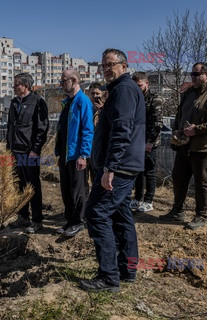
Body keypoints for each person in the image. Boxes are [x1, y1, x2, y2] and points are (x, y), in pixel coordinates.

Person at [81, 48, 145, 293]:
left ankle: (108, 277)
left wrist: (110, 168)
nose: (107, 69)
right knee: (121, 216)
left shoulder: (124, 90)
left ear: (124, 65)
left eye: (111, 64)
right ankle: (127, 269)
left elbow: (122, 131)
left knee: (96, 213)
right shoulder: (120, 89)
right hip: (123, 165)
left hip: (119, 167)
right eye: (103, 65)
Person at [159, 62, 207, 230]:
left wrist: (197, 130)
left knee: (202, 183)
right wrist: (176, 132)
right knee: (178, 177)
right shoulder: (188, 93)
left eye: (196, 74)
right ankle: (177, 211)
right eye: (191, 74)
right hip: (184, 146)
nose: (193, 77)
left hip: (204, 147)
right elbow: (180, 114)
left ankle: (201, 216)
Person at [7, 73, 49, 234]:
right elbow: (11, 126)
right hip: (15, 152)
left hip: (29, 152)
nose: (14, 87)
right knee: (19, 185)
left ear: (25, 85)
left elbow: (42, 129)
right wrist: (8, 148)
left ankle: (37, 220)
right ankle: (23, 217)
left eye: (16, 84)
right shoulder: (14, 103)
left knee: (32, 186)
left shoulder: (38, 102)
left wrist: (35, 150)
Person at [55, 69, 94, 237]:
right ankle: (70, 220)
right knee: (66, 189)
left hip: (77, 154)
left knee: (77, 190)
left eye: (64, 81)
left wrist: (83, 154)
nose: (62, 84)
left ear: (74, 80)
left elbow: (87, 129)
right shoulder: (68, 102)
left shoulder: (82, 101)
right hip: (65, 153)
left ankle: (78, 221)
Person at [130, 72, 163, 212]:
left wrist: (150, 141)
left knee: (149, 171)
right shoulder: (135, 98)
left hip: (149, 142)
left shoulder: (155, 99)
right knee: (137, 171)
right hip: (137, 141)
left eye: (140, 85)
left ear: (146, 84)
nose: (137, 88)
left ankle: (148, 200)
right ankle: (137, 198)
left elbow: (157, 123)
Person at [86, 82, 108, 192]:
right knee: (83, 180)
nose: (95, 96)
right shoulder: (86, 108)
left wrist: (102, 111)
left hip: (98, 150)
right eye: (92, 93)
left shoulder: (106, 109)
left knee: (97, 179)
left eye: (97, 94)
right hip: (86, 149)